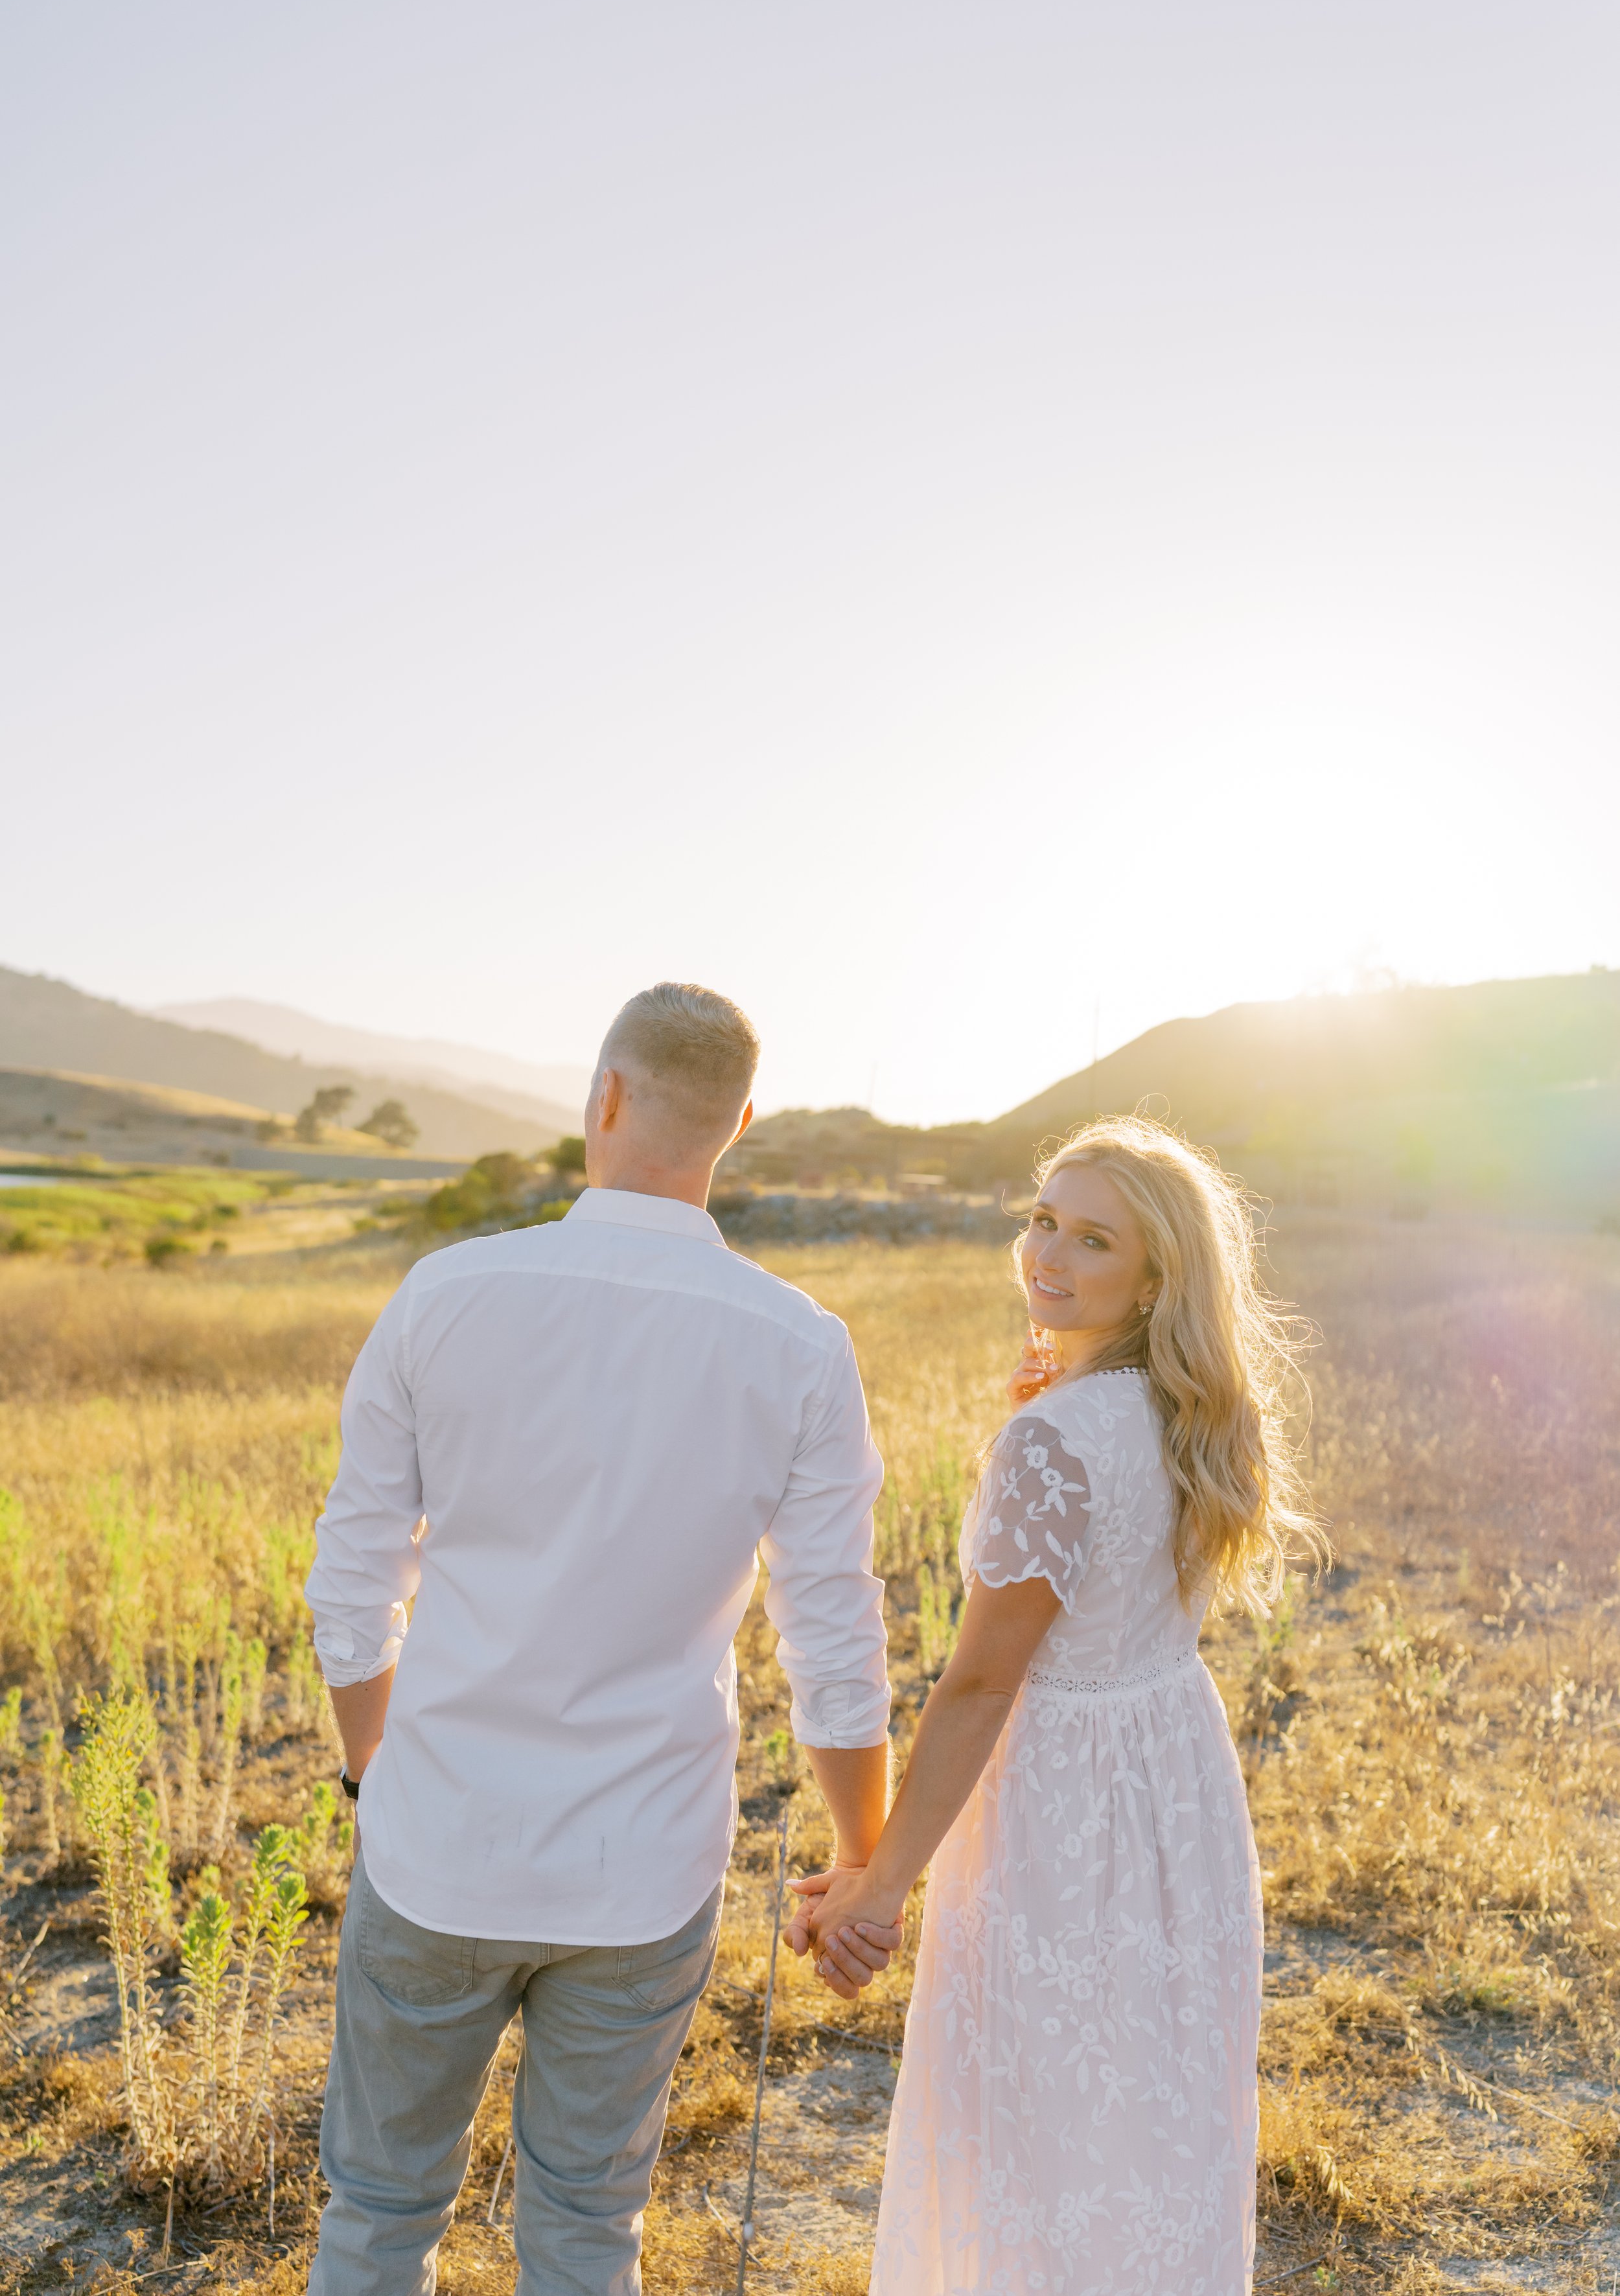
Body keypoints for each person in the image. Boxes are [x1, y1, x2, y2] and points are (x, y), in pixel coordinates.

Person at [304, 982, 896, 2296]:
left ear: (604, 1096)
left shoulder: (445, 1291)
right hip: (644, 1865)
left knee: (378, 2215)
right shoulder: (801, 1345)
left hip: (438, 1844)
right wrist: (862, 1860)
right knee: (584, 2228)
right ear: (737, 1123)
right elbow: (835, 1640)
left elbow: (352, 1585)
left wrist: (374, 1773)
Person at [790, 1115, 1321, 2295]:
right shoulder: (1190, 1413)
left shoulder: (1053, 1439)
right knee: (1152, 2120)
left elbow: (982, 1682)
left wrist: (877, 1887)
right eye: (1043, 1220)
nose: (1050, 1255)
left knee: (1029, 2133)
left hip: (1064, 1805)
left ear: (1153, 1276)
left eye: (1093, 1239)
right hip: (1174, 1782)